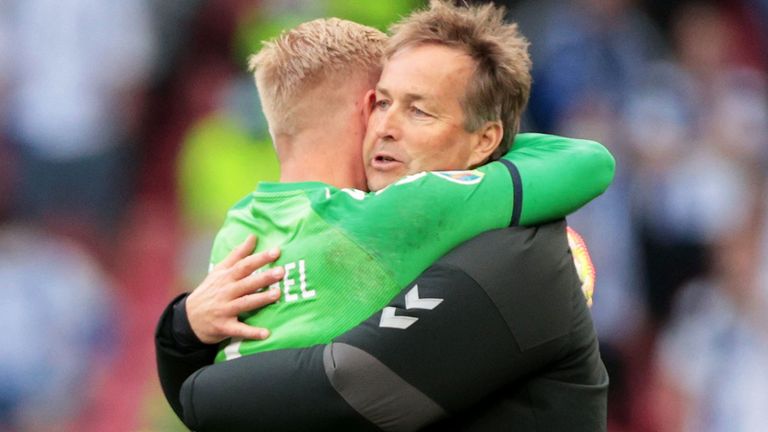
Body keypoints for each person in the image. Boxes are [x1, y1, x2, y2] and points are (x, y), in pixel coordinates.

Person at [156, 1, 611, 430]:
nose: (386, 127)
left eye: (419, 110)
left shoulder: (518, 252)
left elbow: (348, 380)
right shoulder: (375, 220)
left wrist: (199, 387)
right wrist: (182, 328)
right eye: (382, 103)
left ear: (485, 140)